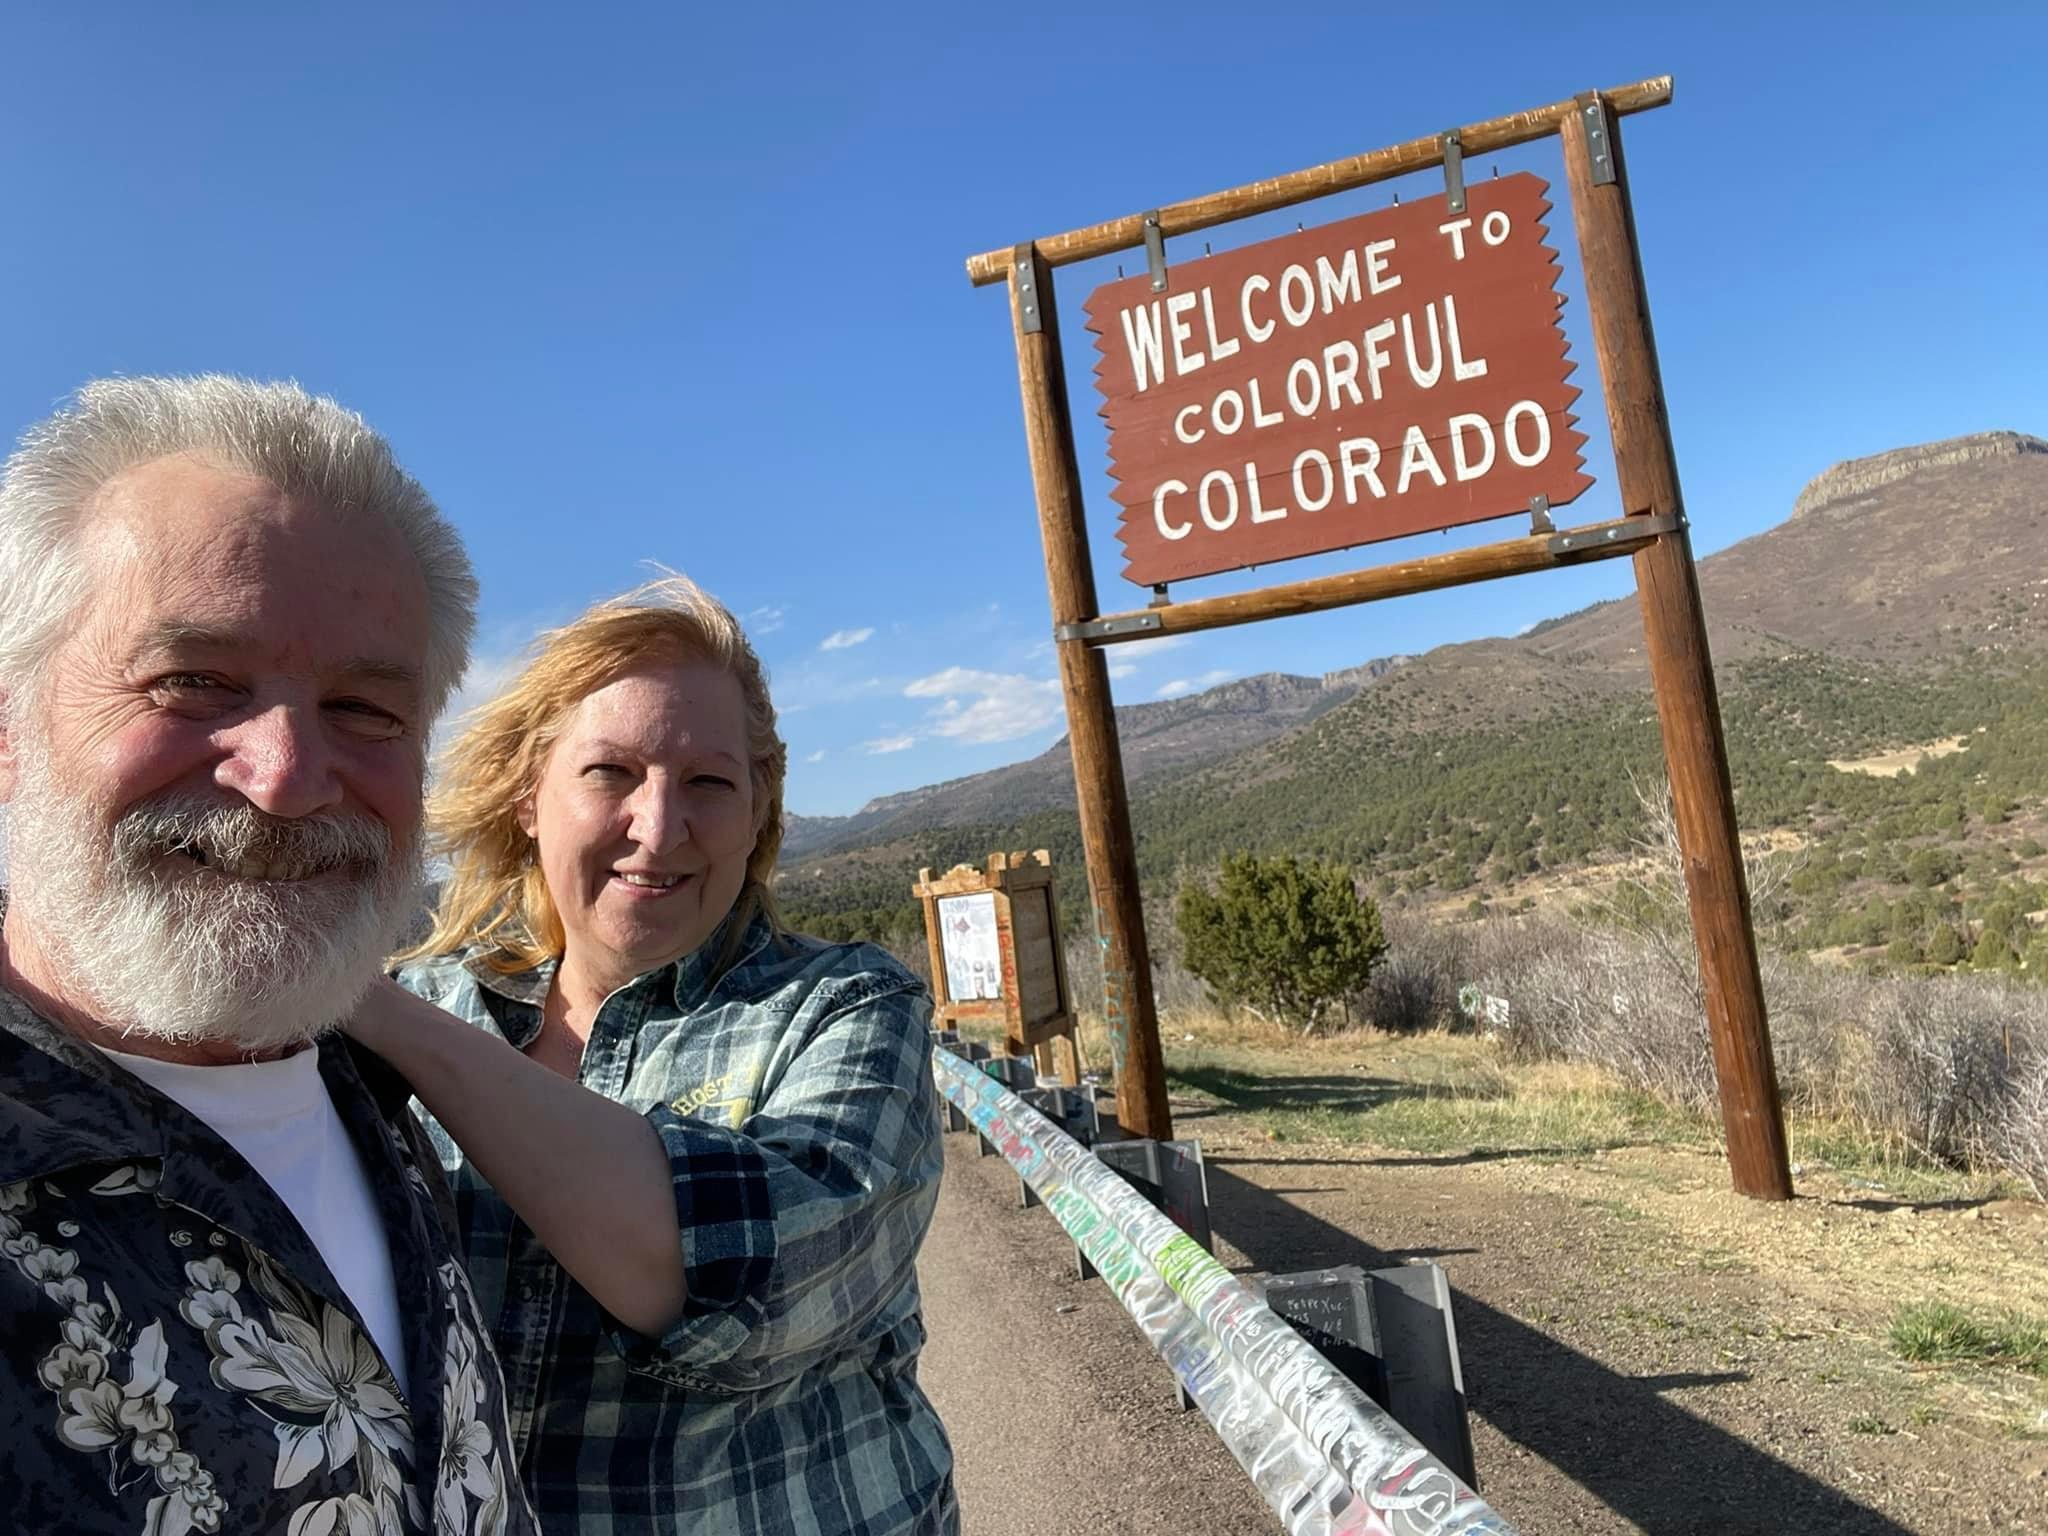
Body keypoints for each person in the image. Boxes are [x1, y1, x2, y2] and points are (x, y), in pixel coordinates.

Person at [0, 376, 539, 1536]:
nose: (289, 778)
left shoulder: (375, 1094)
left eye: (364, 708)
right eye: (193, 682)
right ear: (8, 730)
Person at [351, 575, 958, 1534]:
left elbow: (760, 1282)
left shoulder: (846, 1007)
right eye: (610, 773)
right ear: (529, 797)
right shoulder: (423, 1003)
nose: (660, 826)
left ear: (758, 810)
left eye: (709, 783)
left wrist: (368, 1006)